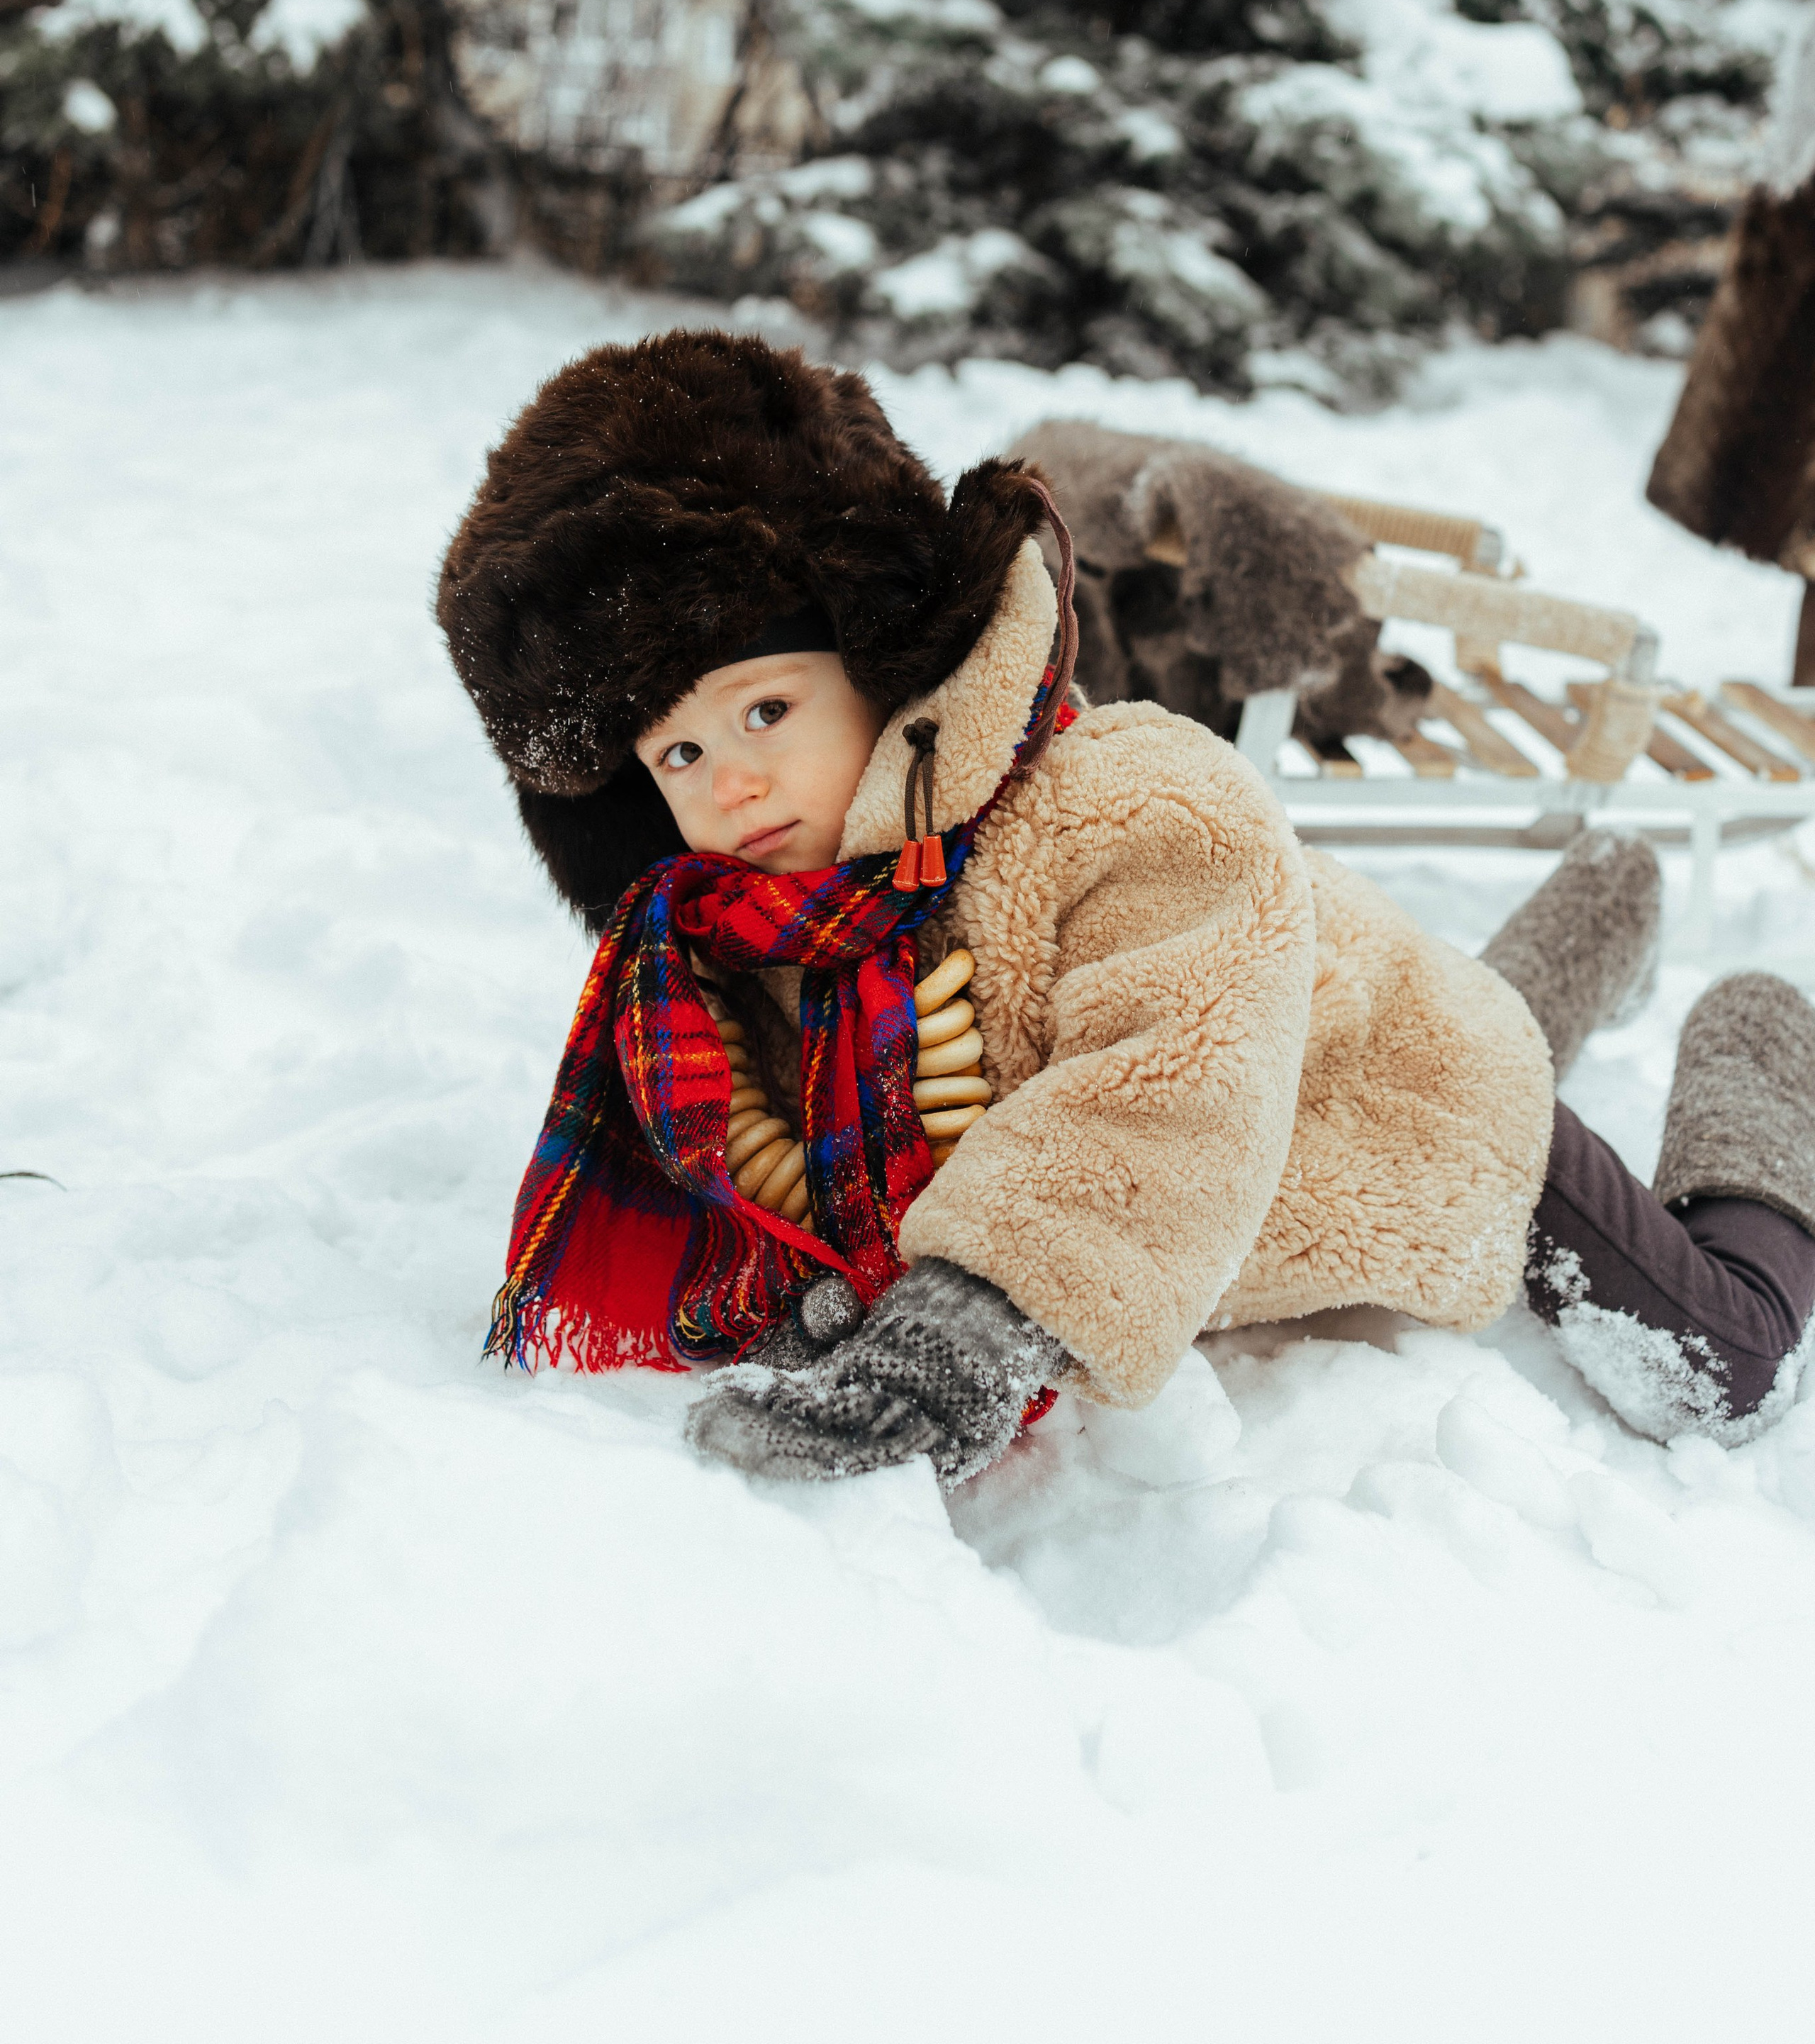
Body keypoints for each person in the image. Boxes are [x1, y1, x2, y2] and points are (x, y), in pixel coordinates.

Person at [436, 329, 1815, 1482]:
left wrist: (971, 1324)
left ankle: (1756, 1044)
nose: (730, 782)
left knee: (1709, 1366)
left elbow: (1158, 1087)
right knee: (1436, 998)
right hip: (1317, 1011)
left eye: (764, 707)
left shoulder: (1128, 800)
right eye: (677, 752)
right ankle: (1602, 902)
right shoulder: (732, 941)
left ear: (880, 658)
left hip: (1403, 1093)